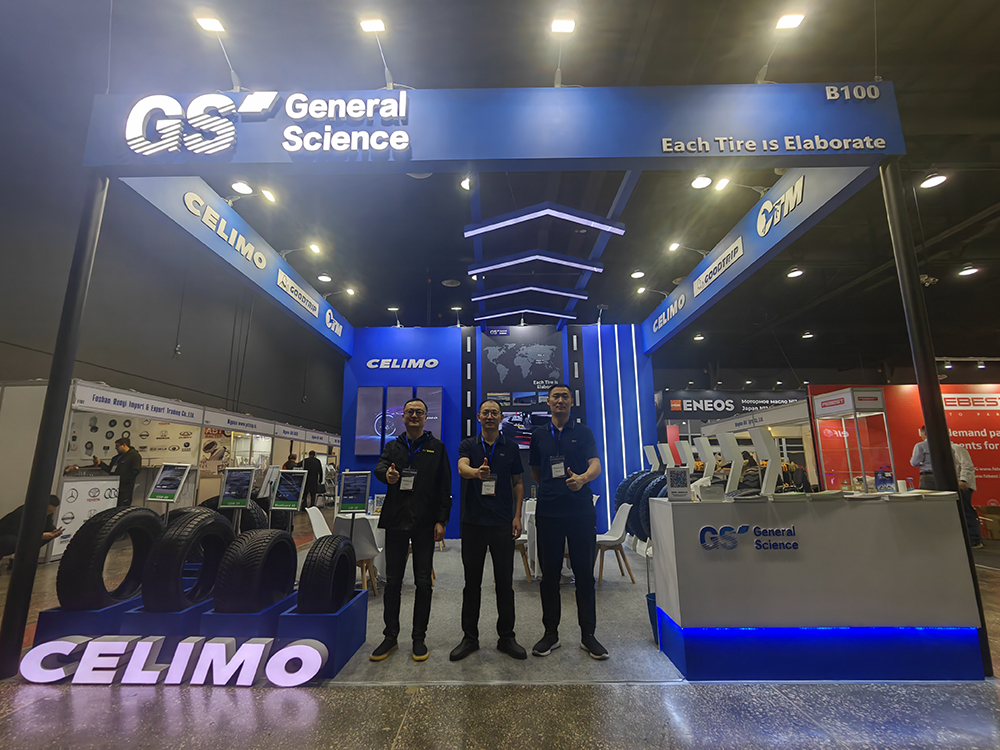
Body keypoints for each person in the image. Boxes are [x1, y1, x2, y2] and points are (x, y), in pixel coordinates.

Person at [528, 384, 606, 660]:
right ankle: (551, 634)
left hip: (580, 511)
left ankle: (588, 636)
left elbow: (595, 464)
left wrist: (582, 479)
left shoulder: (583, 432)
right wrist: (553, 488)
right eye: (555, 397)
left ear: (572, 402)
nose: (560, 400)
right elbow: (536, 470)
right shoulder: (538, 435)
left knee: (584, 574)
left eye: (565, 396)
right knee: (549, 575)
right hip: (549, 511)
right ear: (548, 402)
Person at [372, 398, 451, 662]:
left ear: (426, 417)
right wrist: (387, 475)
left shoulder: (437, 448)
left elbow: (444, 487)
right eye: (410, 412)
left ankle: (419, 638)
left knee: (423, 583)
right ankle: (390, 637)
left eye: (419, 412)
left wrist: (442, 521)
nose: (414, 415)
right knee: (393, 582)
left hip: (425, 524)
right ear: (403, 417)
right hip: (396, 521)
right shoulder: (392, 446)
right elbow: (380, 468)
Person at [450, 399, 527, 662]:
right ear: (479, 417)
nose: (490, 416)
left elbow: (518, 483)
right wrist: (476, 473)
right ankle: (469, 638)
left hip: (502, 524)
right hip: (473, 523)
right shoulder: (468, 445)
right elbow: (461, 468)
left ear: (501, 417)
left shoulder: (511, 447)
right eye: (486, 413)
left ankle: (507, 637)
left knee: (505, 584)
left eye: (495, 413)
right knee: (471, 584)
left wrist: (517, 516)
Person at [0, 495, 64, 565]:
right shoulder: (23, 512)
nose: (48, 513)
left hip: (21, 537)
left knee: (47, 537)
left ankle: (22, 560)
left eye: (51, 511)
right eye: (48, 511)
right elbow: (17, 533)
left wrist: (53, 532)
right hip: (6, 536)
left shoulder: (47, 513)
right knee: (11, 541)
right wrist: (40, 536)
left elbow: (48, 526)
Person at [93, 437, 142, 507]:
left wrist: (123, 480)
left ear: (124, 445)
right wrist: (100, 463)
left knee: (122, 507)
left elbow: (135, 471)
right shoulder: (116, 458)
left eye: (117, 446)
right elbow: (110, 469)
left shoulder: (134, 455)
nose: (116, 448)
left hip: (125, 489)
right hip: (113, 488)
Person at [953, 441, 982, 549]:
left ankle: (974, 540)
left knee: (966, 511)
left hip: (962, 485)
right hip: (950, 485)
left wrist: (963, 480)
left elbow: (967, 466)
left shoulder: (957, 448)